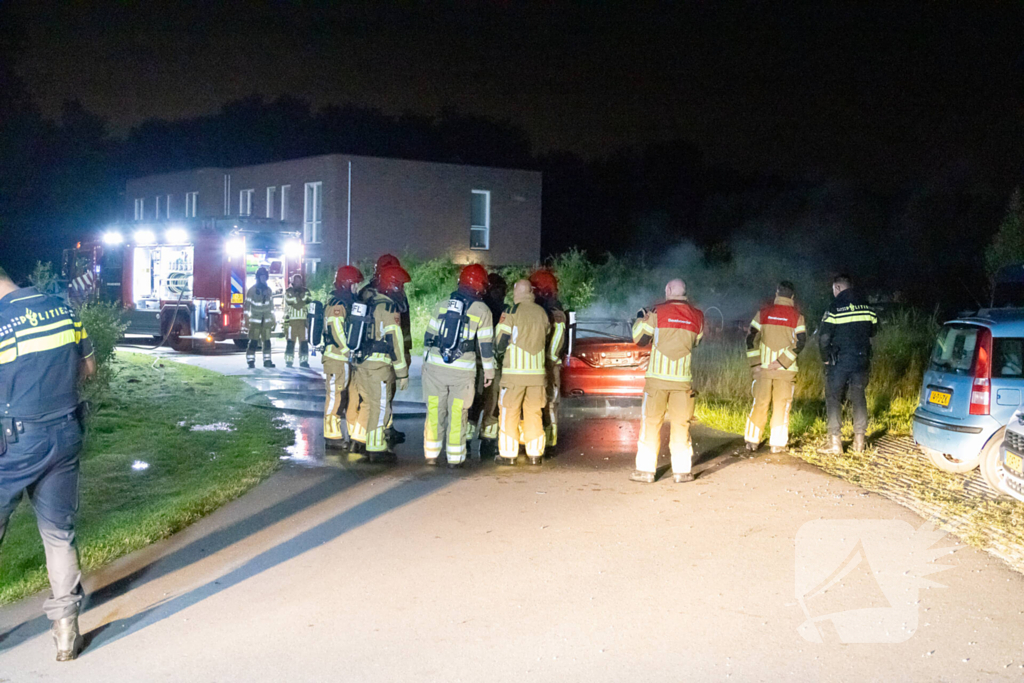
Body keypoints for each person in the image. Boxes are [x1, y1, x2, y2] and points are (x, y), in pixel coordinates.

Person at [0, 265, 96, 661]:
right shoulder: (62, 309)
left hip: (12, 442)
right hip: (65, 432)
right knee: (58, 534)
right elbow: (89, 367)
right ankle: (66, 631)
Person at [630, 279, 704, 483]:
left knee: (651, 423)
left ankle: (645, 471)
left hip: (657, 381)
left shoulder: (656, 312)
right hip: (682, 382)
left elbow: (639, 338)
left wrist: (639, 318)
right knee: (681, 425)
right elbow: (697, 341)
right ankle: (682, 471)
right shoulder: (698, 316)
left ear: (669, 290)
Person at [422, 265, 496, 467]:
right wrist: (489, 371)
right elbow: (486, 346)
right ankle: (455, 458)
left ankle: (431, 453)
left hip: (435, 368)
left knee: (435, 410)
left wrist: (428, 364)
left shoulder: (442, 304)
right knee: (457, 412)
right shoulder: (482, 310)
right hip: (462, 373)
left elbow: (428, 337)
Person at [349, 264, 410, 462]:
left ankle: (358, 439)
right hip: (379, 366)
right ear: (392, 286)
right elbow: (395, 340)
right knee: (381, 405)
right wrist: (402, 372)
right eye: (399, 286)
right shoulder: (389, 307)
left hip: (361, 363)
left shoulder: (366, 301)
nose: (401, 290)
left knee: (367, 403)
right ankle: (376, 448)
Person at [743, 281, 807, 454]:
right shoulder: (797, 317)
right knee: (782, 405)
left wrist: (755, 363)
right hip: (786, 371)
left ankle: (751, 440)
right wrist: (782, 362)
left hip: (763, 369)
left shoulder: (763, 313)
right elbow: (800, 342)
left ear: (777, 294)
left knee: (760, 403)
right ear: (792, 296)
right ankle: (777, 444)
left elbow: (750, 339)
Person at [819, 274, 878, 454]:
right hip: (861, 360)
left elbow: (824, 337)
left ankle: (835, 442)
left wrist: (825, 357)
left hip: (839, 361)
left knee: (834, 397)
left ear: (837, 288)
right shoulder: (867, 307)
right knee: (859, 397)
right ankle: (859, 442)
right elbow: (873, 331)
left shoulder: (834, 308)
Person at [494, 279, 550, 466]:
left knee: (509, 412)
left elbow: (500, 339)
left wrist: (499, 353)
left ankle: (508, 454)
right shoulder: (542, 312)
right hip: (537, 375)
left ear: (517, 292)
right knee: (534, 413)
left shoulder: (511, 311)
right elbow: (547, 334)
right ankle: (535, 454)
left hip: (514, 375)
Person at [323, 265, 363, 449]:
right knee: (336, 397)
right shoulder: (337, 304)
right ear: (347, 284)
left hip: (343, 359)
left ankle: (347, 433)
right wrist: (349, 350)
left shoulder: (343, 302)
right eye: (354, 284)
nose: (356, 288)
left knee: (345, 397)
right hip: (336, 359)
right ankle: (332, 437)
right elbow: (337, 330)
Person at [467, 273, 507, 457]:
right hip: (492, 365)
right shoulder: (502, 311)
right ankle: (488, 443)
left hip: (475, 363)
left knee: (474, 404)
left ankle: (466, 441)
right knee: (492, 405)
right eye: (499, 290)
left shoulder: (475, 307)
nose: (501, 294)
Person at [529, 269, 567, 454]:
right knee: (550, 403)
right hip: (551, 366)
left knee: (539, 403)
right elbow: (560, 341)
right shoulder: (557, 312)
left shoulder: (538, 312)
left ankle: (539, 442)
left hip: (540, 364)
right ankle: (549, 442)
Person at [244, 266, 275, 369]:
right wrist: (246, 320)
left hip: (266, 322)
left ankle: (267, 361)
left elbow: (271, 307)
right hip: (255, 322)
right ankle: (251, 361)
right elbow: (246, 306)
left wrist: (273, 320)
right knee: (253, 341)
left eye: (265, 276)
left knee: (267, 342)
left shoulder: (269, 291)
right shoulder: (252, 291)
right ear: (258, 277)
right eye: (261, 276)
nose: (263, 278)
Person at [284, 273, 312, 368]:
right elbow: (290, 301)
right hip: (292, 322)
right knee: (290, 341)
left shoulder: (306, 291)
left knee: (304, 342)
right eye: (296, 281)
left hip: (303, 321)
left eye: (299, 281)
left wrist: (298, 297)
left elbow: (308, 299)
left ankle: (303, 361)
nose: (298, 283)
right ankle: (289, 361)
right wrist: (300, 298)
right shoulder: (288, 291)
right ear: (292, 282)